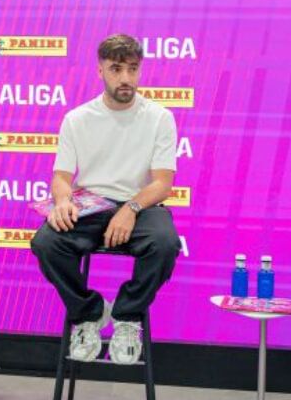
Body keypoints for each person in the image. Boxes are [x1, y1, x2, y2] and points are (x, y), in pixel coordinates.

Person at [31, 34, 180, 365]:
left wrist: (130, 208)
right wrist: (63, 201)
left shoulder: (159, 117)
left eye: (132, 69)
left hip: (141, 206)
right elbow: (61, 177)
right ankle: (89, 315)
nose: (126, 78)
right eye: (116, 69)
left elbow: (162, 184)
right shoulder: (77, 118)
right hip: (91, 205)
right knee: (46, 243)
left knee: (166, 243)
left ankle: (128, 317)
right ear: (100, 71)